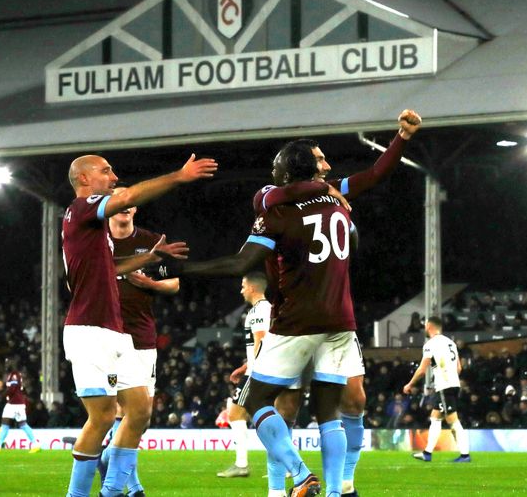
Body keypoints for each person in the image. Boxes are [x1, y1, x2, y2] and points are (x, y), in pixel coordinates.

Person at [158, 134, 414, 497]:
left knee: (253, 400)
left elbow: (240, 262)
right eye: (321, 160)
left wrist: (180, 269)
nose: (328, 165)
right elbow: (371, 184)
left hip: (296, 320)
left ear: (288, 171)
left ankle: (300, 474)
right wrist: (402, 139)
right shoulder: (336, 200)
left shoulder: (276, 211)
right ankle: (333, 492)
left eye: (277, 168)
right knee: (329, 413)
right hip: (340, 320)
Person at [255, 109, 423, 497]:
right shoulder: (271, 199)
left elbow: (374, 175)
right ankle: (279, 489)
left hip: (331, 315)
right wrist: (322, 191)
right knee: (285, 407)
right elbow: (278, 195)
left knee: (353, 399)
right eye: (320, 159)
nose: (328, 165)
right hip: (291, 316)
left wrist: (401, 138)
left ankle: (343, 484)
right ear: (303, 167)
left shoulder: (332, 191)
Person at [62, 153, 216, 497]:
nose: (114, 177)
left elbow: (111, 267)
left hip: (116, 332)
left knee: (141, 410)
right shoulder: (82, 207)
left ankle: (113, 491)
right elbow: (129, 197)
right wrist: (179, 175)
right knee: (102, 417)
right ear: (84, 179)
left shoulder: (93, 227)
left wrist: (150, 257)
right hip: (89, 330)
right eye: (106, 171)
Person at [97, 188, 181, 496]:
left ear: (135, 209)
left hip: (142, 338)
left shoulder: (151, 241)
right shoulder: (95, 240)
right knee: (110, 412)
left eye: (130, 202)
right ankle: (128, 487)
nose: (124, 207)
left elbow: (174, 283)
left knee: (138, 416)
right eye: (119, 202)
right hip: (103, 337)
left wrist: (148, 283)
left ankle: (109, 462)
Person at [217, 272, 272, 479]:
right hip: (260, 369)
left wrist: (253, 369)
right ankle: (285, 466)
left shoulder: (259, 311)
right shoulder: (266, 309)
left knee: (235, 413)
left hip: (259, 373)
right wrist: (245, 366)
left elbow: (262, 341)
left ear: (251, 288)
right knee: (268, 419)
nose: (241, 290)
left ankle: (242, 465)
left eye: (242, 286)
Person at [402, 316, 471, 463]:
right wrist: (450, 378)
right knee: (435, 417)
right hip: (452, 384)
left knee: (453, 420)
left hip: (444, 386)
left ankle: (465, 455)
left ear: (429, 326)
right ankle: (427, 453)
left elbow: (422, 369)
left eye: (425, 326)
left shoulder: (431, 344)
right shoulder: (451, 343)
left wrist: (410, 384)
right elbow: (459, 367)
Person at [0, 363, 40, 452]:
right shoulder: (11, 375)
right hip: (11, 404)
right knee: (4, 424)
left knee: (23, 425)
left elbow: (13, 388)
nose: (6, 365)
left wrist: (3, 395)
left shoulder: (15, 375)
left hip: (17, 404)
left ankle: (35, 444)